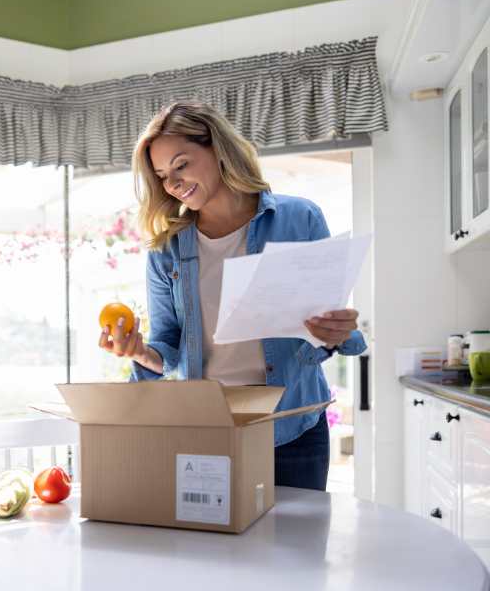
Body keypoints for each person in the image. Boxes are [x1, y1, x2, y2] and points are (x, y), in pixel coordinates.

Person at [98, 100, 366, 491]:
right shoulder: (166, 250)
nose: (171, 183)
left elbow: (323, 328)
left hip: (292, 424)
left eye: (181, 164)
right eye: (161, 175)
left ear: (217, 148)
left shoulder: (300, 218)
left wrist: (334, 332)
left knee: (296, 551)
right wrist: (139, 351)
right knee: (211, 549)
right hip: (207, 427)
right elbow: (167, 346)